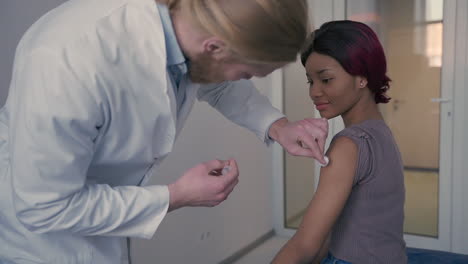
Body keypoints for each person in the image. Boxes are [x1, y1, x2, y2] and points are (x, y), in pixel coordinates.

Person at [0, 0, 329, 263]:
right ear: (215, 47)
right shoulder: (67, 63)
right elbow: (45, 207)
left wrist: (278, 126)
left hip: (103, 227)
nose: (242, 80)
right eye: (246, 73)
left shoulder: (188, 29)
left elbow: (216, 81)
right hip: (37, 243)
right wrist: (175, 195)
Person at [272, 20, 407, 264]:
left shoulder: (348, 144)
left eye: (326, 79)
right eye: (310, 81)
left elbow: (305, 246)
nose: (314, 91)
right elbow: (330, 231)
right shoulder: (381, 132)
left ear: (362, 78)